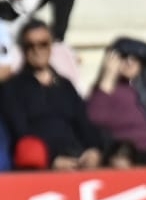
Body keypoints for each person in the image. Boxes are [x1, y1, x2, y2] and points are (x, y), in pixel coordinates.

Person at [0, 21, 111, 170]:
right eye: (30, 45)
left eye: (43, 44)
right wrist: (52, 160)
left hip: (78, 155)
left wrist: (93, 150)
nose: (37, 50)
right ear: (23, 49)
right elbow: (20, 132)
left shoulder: (65, 86)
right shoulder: (12, 88)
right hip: (42, 164)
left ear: (51, 46)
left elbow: (84, 122)